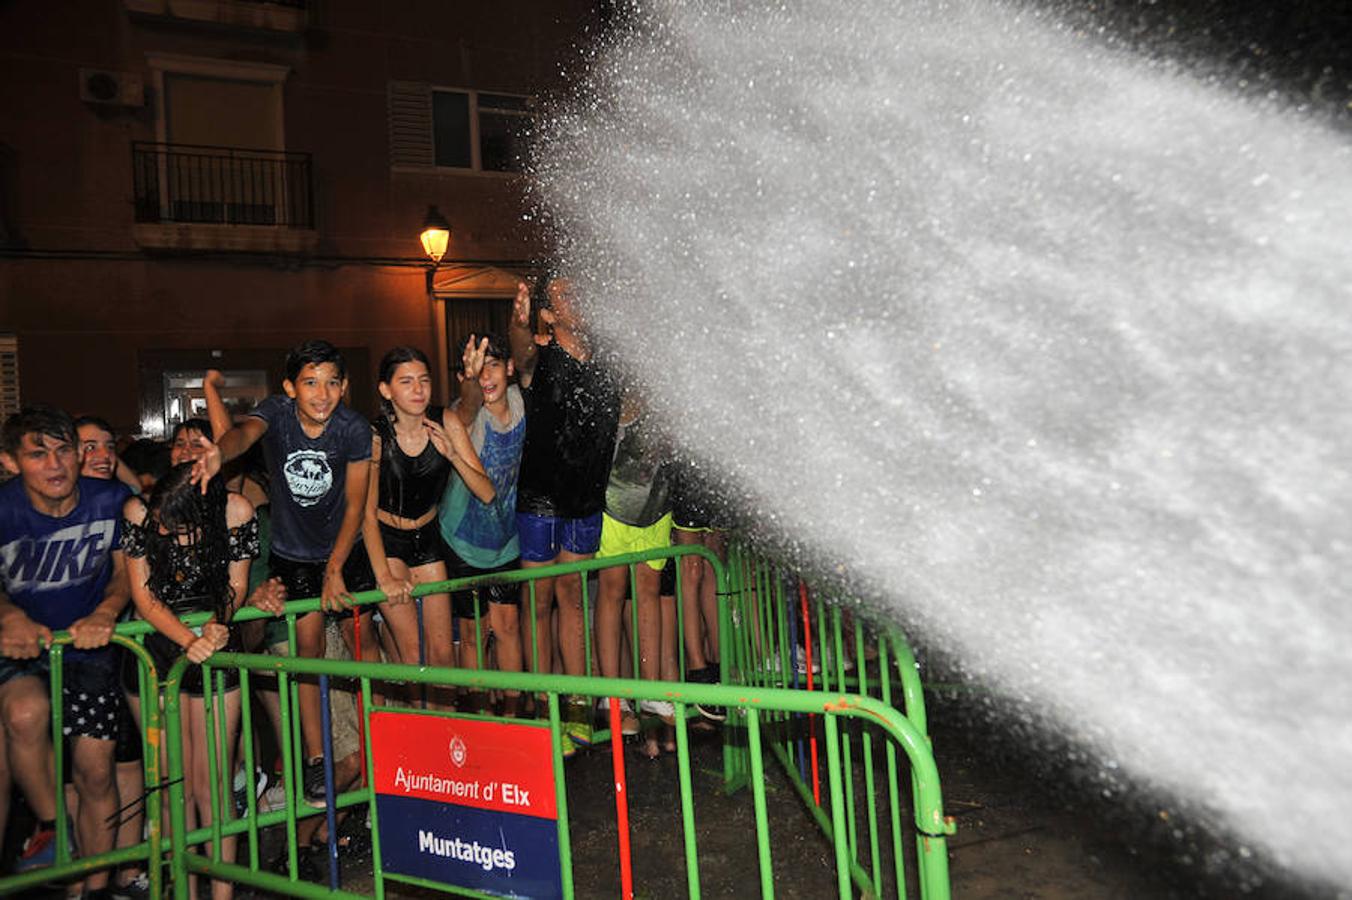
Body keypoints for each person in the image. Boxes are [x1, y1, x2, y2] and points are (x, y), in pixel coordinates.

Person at [193, 340, 372, 806]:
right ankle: (316, 759)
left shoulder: (353, 429)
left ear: (345, 386)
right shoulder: (276, 411)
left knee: (365, 645)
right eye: (311, 382)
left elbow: (355, 504)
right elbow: (243, 435)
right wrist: (218, 453)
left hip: (345, 549)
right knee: (308, 651)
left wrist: (335, 569)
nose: (322, 393)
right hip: (294, 553)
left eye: (332, 382)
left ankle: (385, 740)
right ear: (291, 387)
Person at [119, 462, 282, 900]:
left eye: (179, 528)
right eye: (163, 528)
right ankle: (185, 891)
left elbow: (236, 583)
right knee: (174, 784)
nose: (168, 536)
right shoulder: (136, 511)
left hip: (213, 643)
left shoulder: (237, 510)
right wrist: (190, 640)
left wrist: (216, 626)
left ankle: (223, 894)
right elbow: (143, 595)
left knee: (212, 782)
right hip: (155, 648)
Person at [0, 406, 130, 896]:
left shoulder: (111, 499)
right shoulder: (3, 509)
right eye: (38, 454)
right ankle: (56, 829)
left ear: (79, 456)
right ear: (11, 462)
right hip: (20, 644)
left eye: (63, 451)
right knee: (26, 713)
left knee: (96, 771)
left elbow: (123, 573)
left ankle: (96, 888)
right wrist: (9, 615)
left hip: (89, 645)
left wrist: (107, 611)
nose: (55, 465)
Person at [511, 277, 621, 747]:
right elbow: (521, 353)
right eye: (563, 295)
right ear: (549, 315)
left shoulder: (609, 363)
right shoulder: (542, 356)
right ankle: (542, 713)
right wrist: (517, 325)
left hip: (584, 502)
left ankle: (577, 710)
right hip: (541, 500)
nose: (577, 298)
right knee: (537, 604)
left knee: (573, 600)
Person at [356, 346, 493, 707]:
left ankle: (445, 732)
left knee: (442, 654)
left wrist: (452, 455)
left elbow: (487, 492)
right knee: (413, 655)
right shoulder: (375, 435)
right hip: (386, 540)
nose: (418, 389)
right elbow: (366, 514)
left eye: (424, 380)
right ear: (386, 390)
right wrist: (383, 575)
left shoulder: (445, 421)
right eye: (406, 382)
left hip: (428, 538)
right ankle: (421, 732)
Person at [440, 333, 527, 714]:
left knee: (508, 628)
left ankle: (511, 714)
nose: (486, 376)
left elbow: (527, 353)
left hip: (506, 540)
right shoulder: (467, 412)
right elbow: (468, 405)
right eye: (477, 369)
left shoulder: (521, 401)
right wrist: (470, 380)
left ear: (509, 368)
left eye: (494, 365)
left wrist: (521, 325)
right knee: (475, 633)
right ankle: (481, 717)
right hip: (461, 542)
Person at [594, 391, 677, 755]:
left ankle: (651, 690)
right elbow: (622, 415)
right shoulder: (622, 374)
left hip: (657, 500)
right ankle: (613, 697)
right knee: (612, 591)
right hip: (615, 500)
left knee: (649, 591)